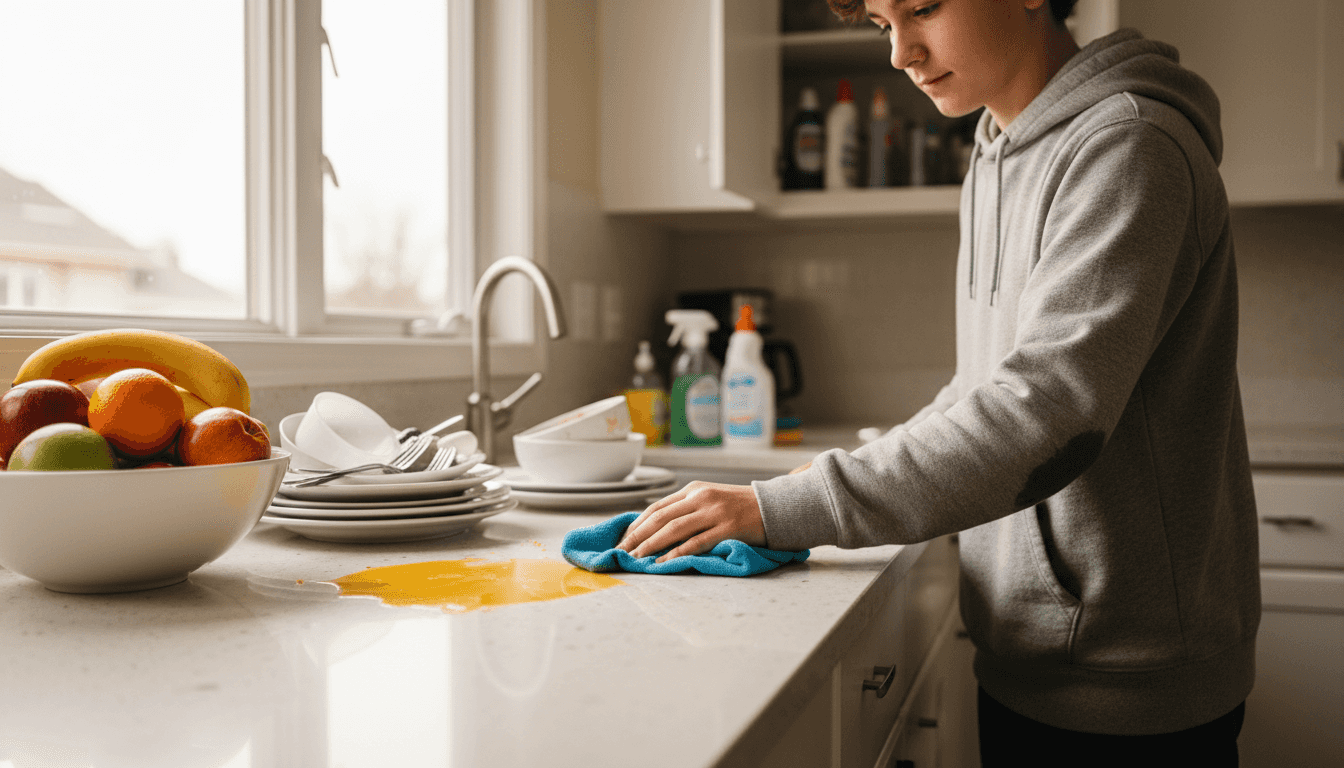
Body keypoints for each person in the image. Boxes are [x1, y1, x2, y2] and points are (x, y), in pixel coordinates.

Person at [616, 0, 1260, 764]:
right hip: (1032, 657)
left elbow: (1044, 413)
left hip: (1129, 686)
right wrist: (805, 484)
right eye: (884, 23)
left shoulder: (1129, 145)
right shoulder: (994, 148)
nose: (901, 53)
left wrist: (790, 506)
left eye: (922, 8)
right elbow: (979, 387)